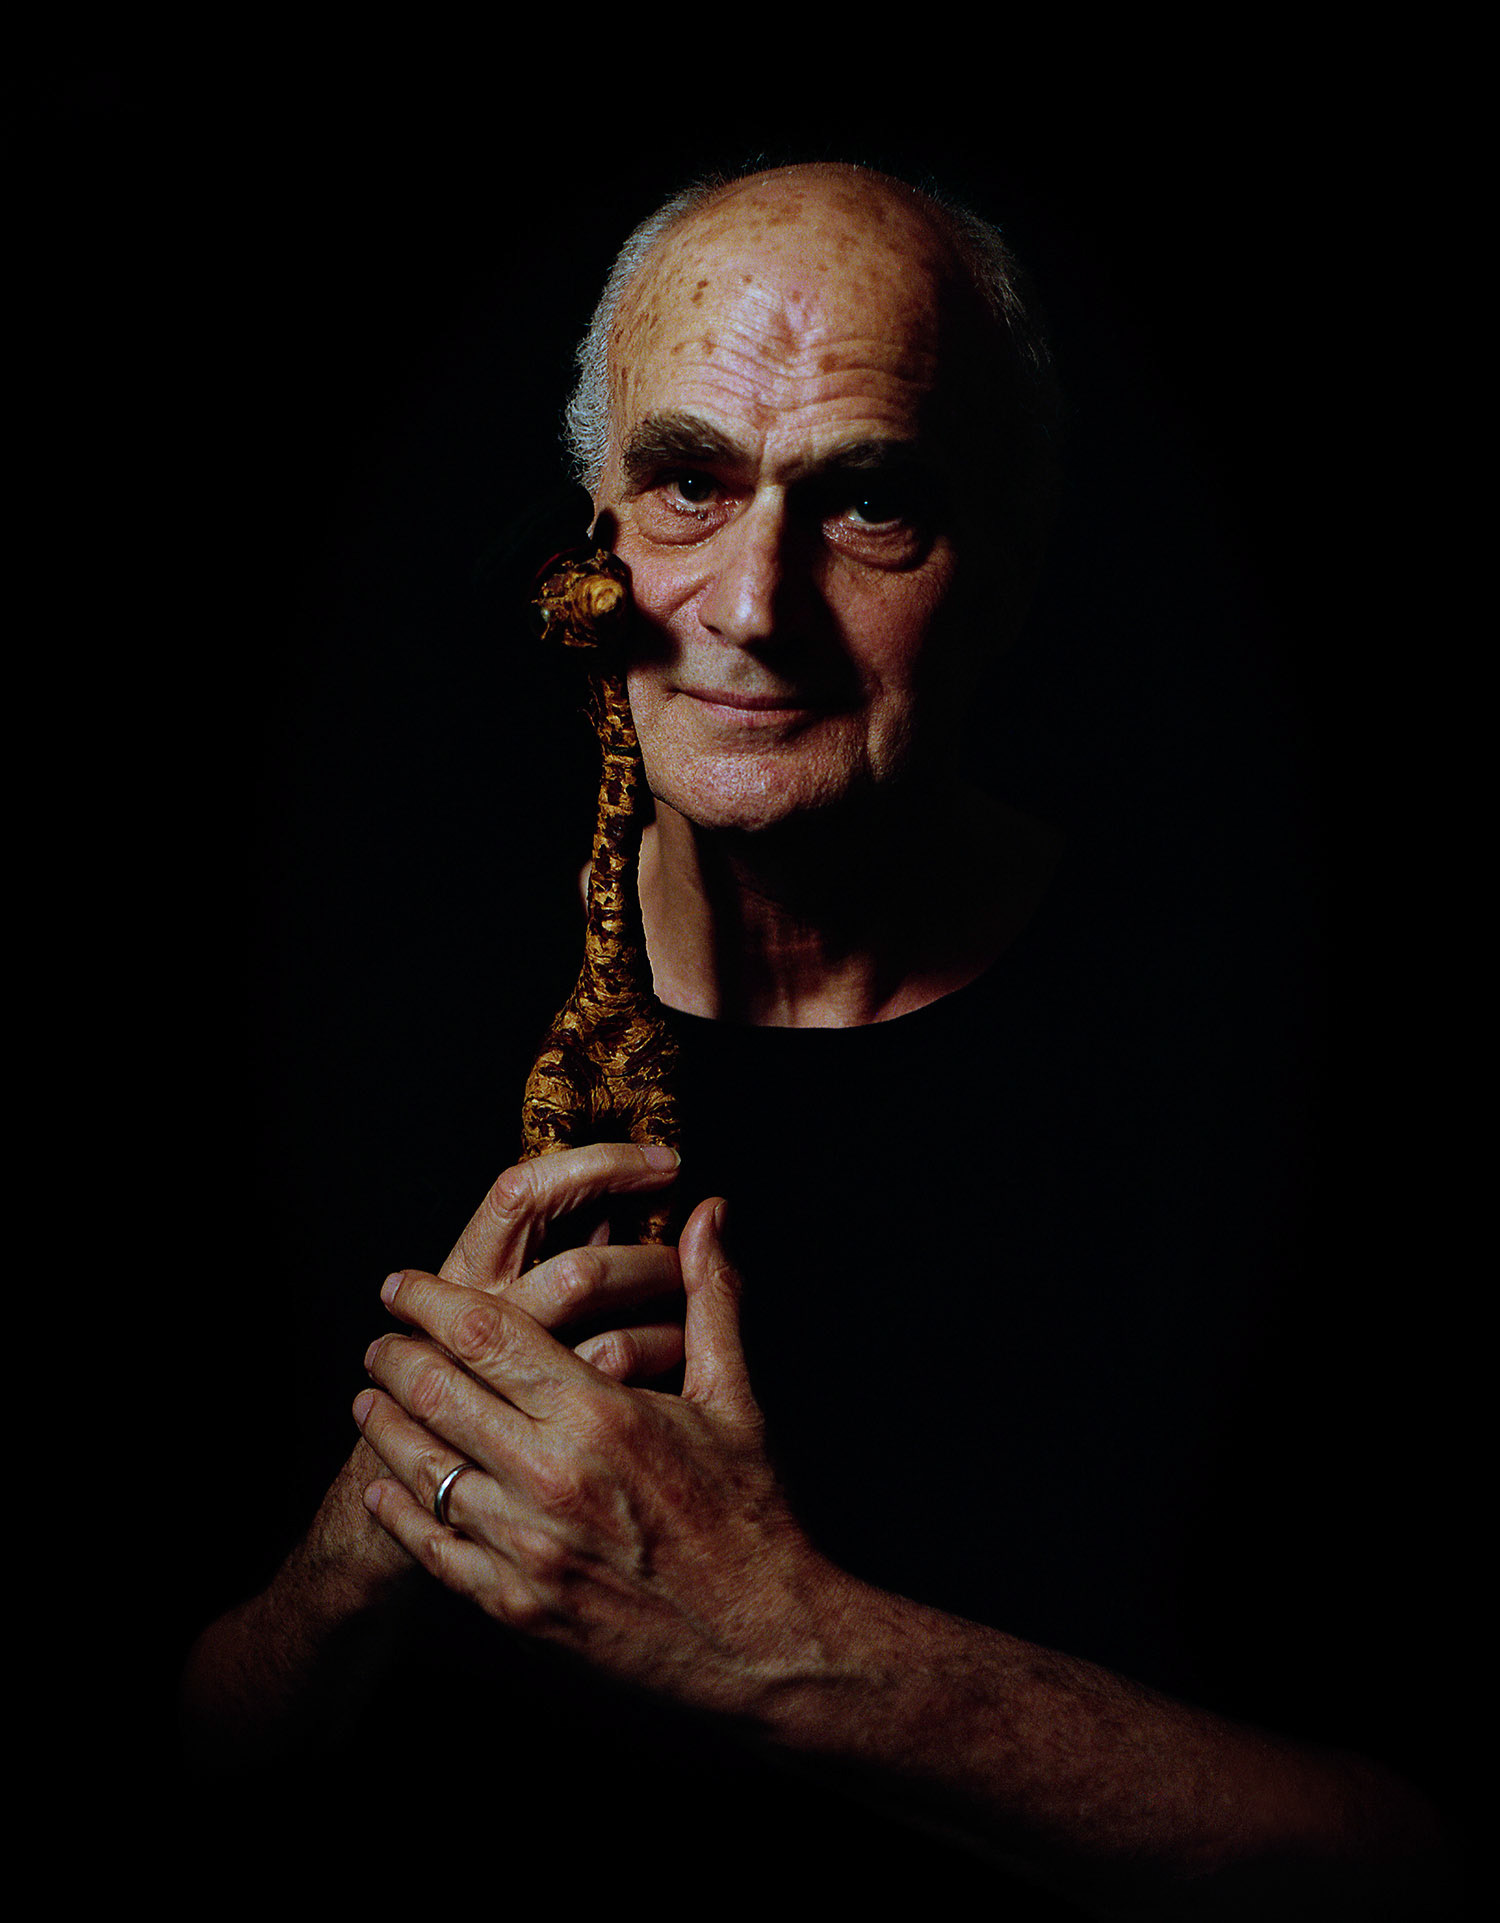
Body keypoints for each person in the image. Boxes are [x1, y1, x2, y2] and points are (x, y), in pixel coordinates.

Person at [181, 163, 1447, 1915]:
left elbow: (1420, 1863)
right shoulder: (364, 990)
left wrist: (784, 1639)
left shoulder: (1245, 1054)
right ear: (592, 543)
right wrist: (354, 1556)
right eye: (687, 486)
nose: (753, 607)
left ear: (1005, 559)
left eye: (867, 504)